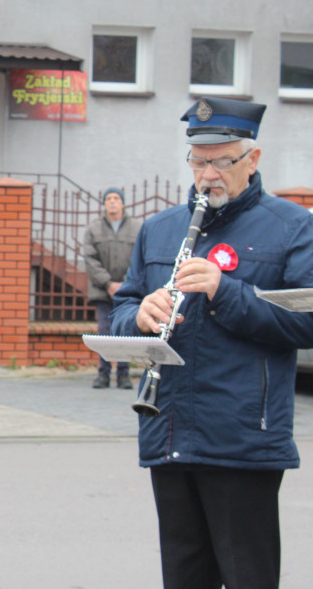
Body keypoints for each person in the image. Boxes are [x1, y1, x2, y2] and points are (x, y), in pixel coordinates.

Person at [110, 96, 313, 589]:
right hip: (170, 435)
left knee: (248, 576)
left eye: (223, 161)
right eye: (199, 162)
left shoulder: (292, 227)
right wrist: (138, 315)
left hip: (244, 438)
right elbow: (120, 311)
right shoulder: (159, 229)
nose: (208, 175)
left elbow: (306, 325)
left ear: (253, 159)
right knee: (183, 576)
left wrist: (227, 292)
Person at [82, 186, 142, 389]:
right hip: (102, 291)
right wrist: (108, 284)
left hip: (127, 290)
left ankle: (123, 374)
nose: (113, 202)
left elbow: (139, 258)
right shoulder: (94, 228)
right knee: (105, 332)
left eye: (116, 198)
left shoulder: (136, 227)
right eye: (109, 198)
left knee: (124, 332)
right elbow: (90, 259)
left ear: (123, 203)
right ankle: (103, 374)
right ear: (105, 203)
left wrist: (125, 284)